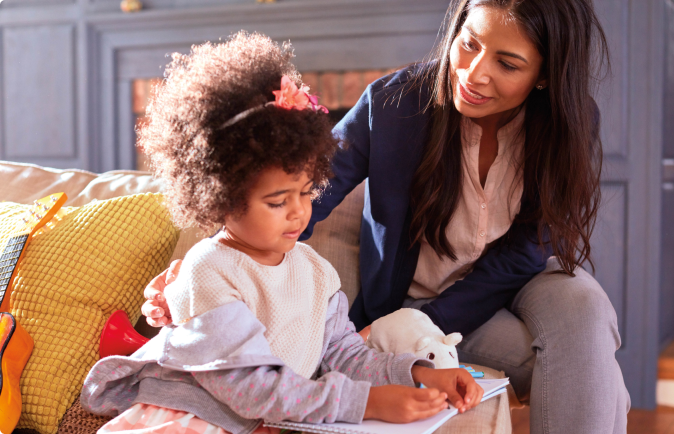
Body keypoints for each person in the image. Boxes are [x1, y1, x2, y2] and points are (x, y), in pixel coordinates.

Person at [144, 1, 632, 432]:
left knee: (585, 307)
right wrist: (210, 262)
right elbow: (302, 189)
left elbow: (528, 251)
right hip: (419, 292)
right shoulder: (394, 103)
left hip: (515, 282)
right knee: (594, 370)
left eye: (507, 63)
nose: (474, 73)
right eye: (469, 44)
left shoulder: (569, 122)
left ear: (544, 76)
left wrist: (425, 323)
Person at [82, 32, 483, 434]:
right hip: (190, 418)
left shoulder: (314, 270)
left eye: (307, 193)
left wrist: (418, 373)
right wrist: (368, 404)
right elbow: (251, 387)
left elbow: (345, 355)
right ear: (220, 198)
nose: (298, 212)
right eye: (277, 202)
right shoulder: (209, 269)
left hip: (265, 420)